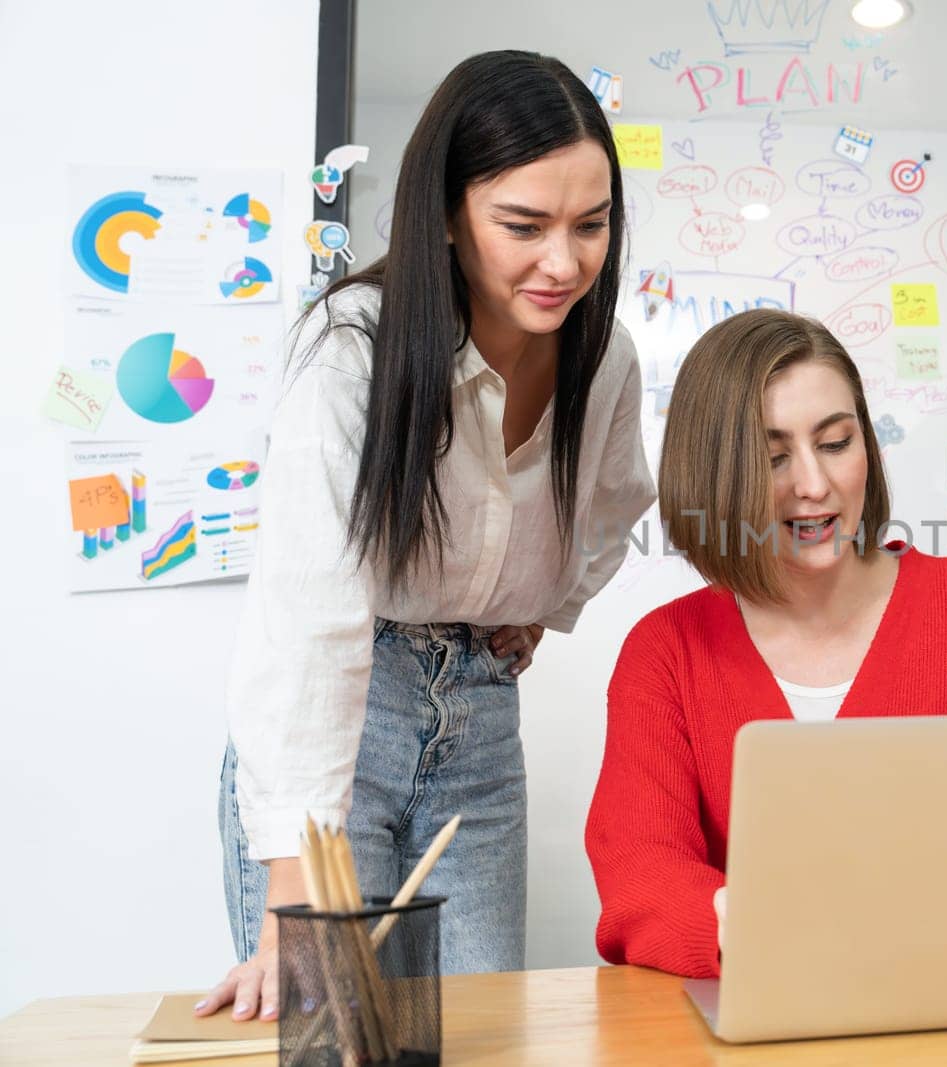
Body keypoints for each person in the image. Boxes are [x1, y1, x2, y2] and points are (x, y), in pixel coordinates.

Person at [198, 51, 656, 1022]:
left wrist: (544, 606)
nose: (566, 263)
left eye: (592, 224)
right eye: (524, 226)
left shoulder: (603, 354)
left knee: (479, 1021)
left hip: (481, 721)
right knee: (331, 1024)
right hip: (346, 717)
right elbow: (309, 615)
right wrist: (291, 875)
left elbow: (615, 501)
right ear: (447, 215)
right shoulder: (353, 346)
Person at [584, 309, 947, 978]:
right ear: (711, 475)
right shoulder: (664, 653)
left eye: (837, 442)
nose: (813, 485)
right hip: (757, 1017)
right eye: (773, 457)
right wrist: (767, 931)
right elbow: (641, 872)